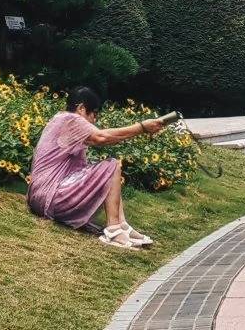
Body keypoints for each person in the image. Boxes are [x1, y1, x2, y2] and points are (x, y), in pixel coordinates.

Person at [27, 86, 165, 249]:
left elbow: (96, 141)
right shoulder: (71, 119)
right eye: (93, 114)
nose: (94, 121)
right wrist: (142, 127)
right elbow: (101, 138)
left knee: (108, 169)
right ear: (81, 108)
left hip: (41, 198)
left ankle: (122, 225)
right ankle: (113, 230)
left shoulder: (60, 120)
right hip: (49, 196)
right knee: (111, 165)